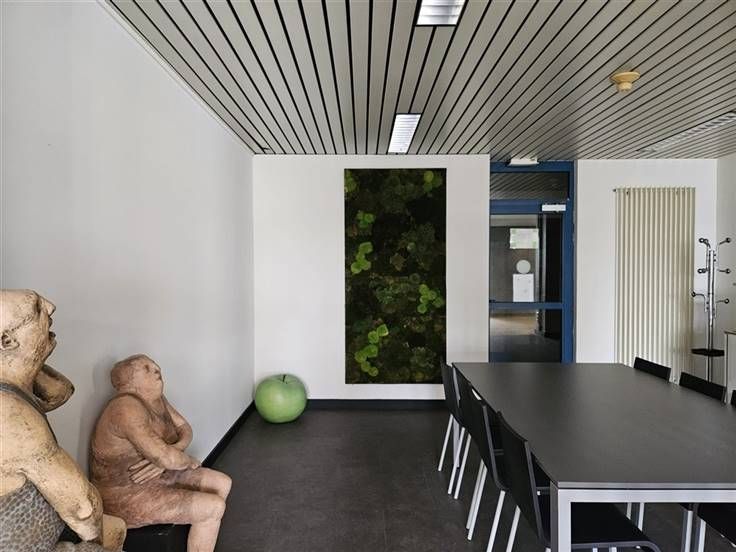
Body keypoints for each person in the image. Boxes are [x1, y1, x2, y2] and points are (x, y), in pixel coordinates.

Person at [0, 289, 125, 552]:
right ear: (7, 340)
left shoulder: (9, 384)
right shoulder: (9, 416)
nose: (50, 307)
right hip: (20, 543)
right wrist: (94, 544)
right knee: (110, 531)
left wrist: (28, 363)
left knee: (116, 527)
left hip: (35, 527)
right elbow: (82, 508)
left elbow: (60, 392)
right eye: (37, 308)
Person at [90, 354, 231, 552]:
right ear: (127, 381)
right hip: (126, 495)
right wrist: (184, 460)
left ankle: (200, 538)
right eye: (146, 368)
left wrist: (169, 457)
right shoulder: (124, 408)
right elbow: (167, 458)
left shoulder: (156, 399)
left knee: (222, 482)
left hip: (159, 476)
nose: (157, 369)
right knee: (213, 507)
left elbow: (185, 429)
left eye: (154, 365)